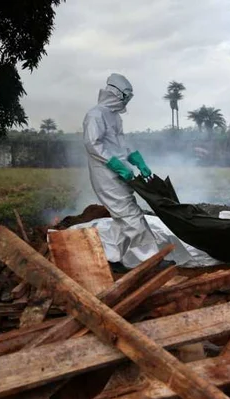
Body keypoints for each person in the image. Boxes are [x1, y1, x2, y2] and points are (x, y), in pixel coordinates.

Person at [83, 73, 159, 268]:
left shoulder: (114, 117)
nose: (127, 102)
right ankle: (150, 260)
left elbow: (122, 143)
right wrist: (116, 164)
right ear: (116, 94)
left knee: (121, 217)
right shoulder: (95, 115)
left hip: (120, 173)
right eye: (126, 97)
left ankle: (117, 259)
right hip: (106, 174)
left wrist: (136, 159)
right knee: (131, 214)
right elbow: (93, 144)